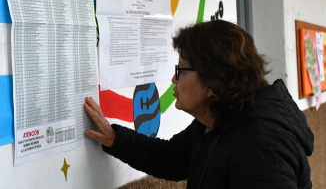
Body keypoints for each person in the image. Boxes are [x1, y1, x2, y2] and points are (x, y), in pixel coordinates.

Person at [84, 20, 314, 189]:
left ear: (213, 81)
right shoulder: (218, 119)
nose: (174, 79)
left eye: (181, 69)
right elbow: (171, 158)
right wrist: (115, 138)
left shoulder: (260, 145)